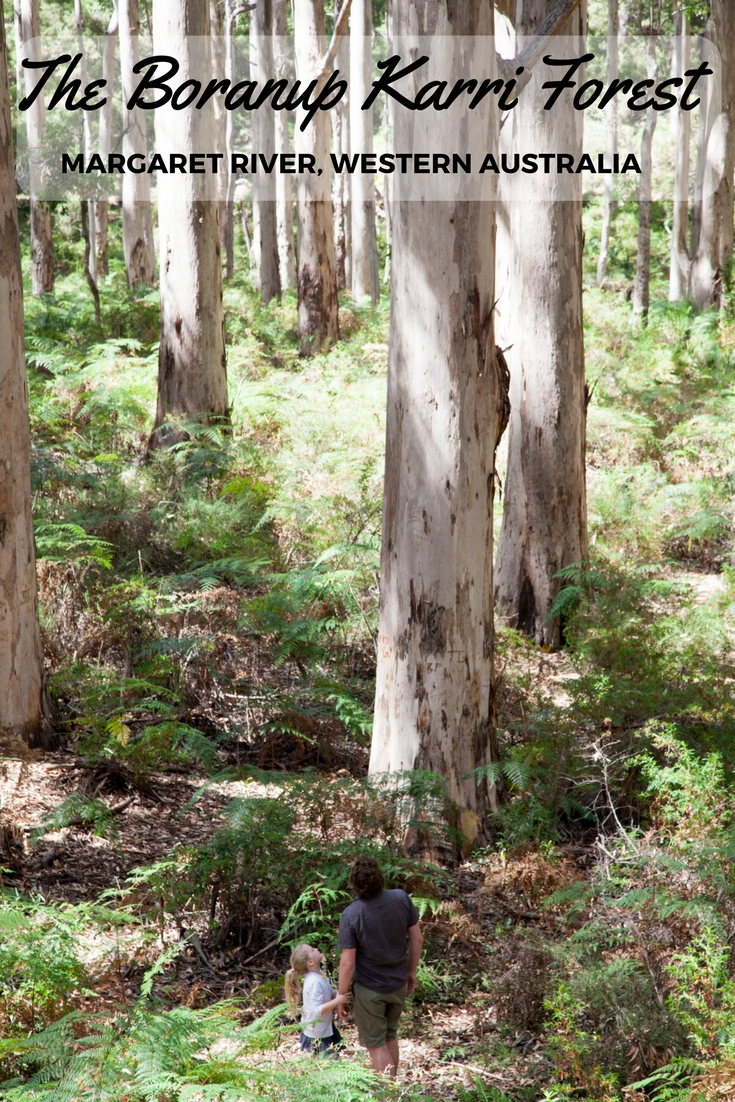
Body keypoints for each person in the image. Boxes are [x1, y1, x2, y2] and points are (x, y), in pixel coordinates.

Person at [337, 856, 423, 1077]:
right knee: (389, 1036)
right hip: (397, 983)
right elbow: (417, 939)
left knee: (376, 1044)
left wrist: (341, 994)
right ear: (380, 877)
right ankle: (393, 1092)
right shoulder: (401, 899)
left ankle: (388, 1096)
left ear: (354, 883)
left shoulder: (351, 915)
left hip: (370, 989)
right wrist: (410, 971)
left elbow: (347, 963)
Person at [284, 943, 350, 1055]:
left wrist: (335, 994)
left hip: (325, 1029)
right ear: (310, 962)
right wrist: (338, 1001)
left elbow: (327, 994)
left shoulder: (320, 975)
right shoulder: (314, 982)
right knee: (324, 1064)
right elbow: (317, 1010)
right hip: (316, 1035)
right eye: (312, 950)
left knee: (333, 1060)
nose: (315, 948)